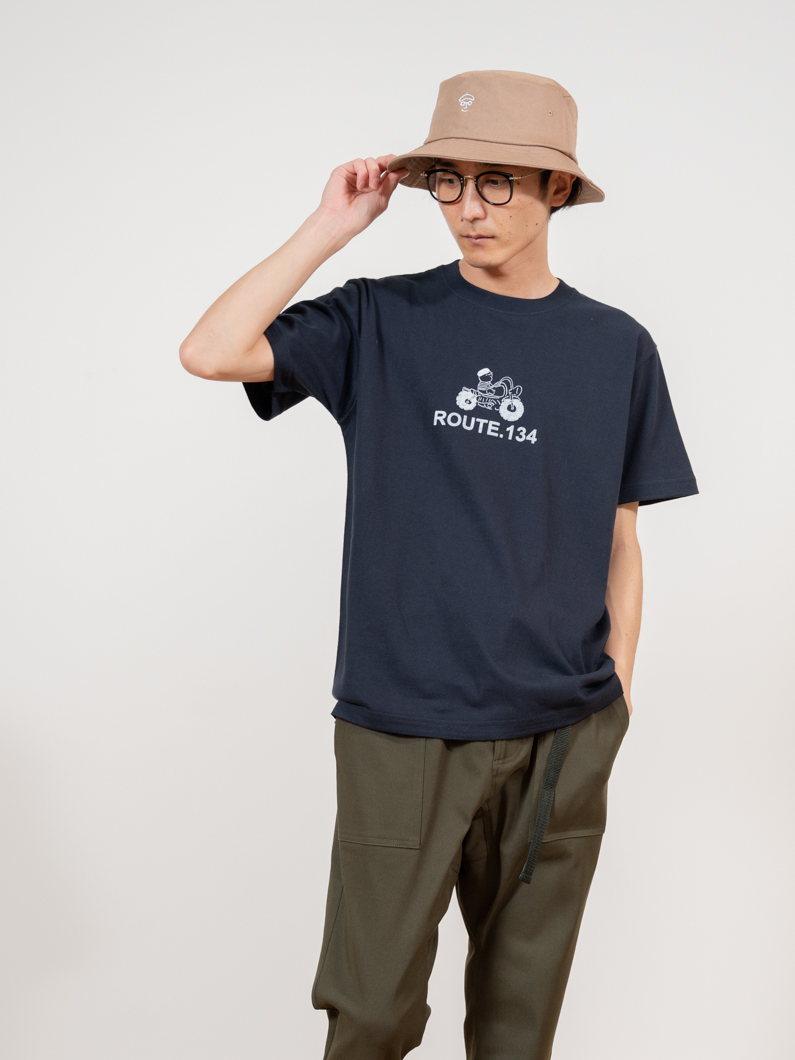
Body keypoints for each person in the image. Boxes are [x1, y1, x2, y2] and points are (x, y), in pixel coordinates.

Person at [179, 69, 698, 1060]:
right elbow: (211, 351)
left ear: (555, 189)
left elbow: (620, 533)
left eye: (497, 181)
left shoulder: (616, 347)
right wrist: (330, 227)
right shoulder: (379, 318)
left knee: (516, 1027)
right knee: (371, 1015)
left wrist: (618, 691)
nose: (468, 207)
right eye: (449, 181)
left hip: (562, 730)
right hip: (403, 722)